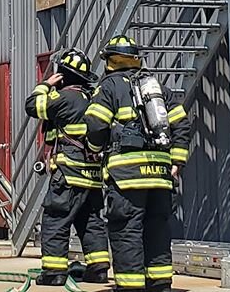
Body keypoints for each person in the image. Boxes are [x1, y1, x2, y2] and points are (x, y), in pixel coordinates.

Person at [84, 35, 191, 292]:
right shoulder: (156, 87)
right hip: (161, 173)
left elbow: (96, 125)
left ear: (110, 61)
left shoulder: (108, 87)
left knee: (126, 229)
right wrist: (176, 160)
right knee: (157, 227)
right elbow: (181, 124)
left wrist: (94, 149)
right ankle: (160, 283)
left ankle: (131, 286)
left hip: (127, 174)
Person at [25, 49, 110, 286]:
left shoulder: (64, 98)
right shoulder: (94, 98)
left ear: (63, 75)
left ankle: (54, 273)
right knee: (91, 221)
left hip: (68, 174)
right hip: (92, 176)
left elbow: (32, 106)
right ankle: (99, 269)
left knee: (55, 219)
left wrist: (45, 84)